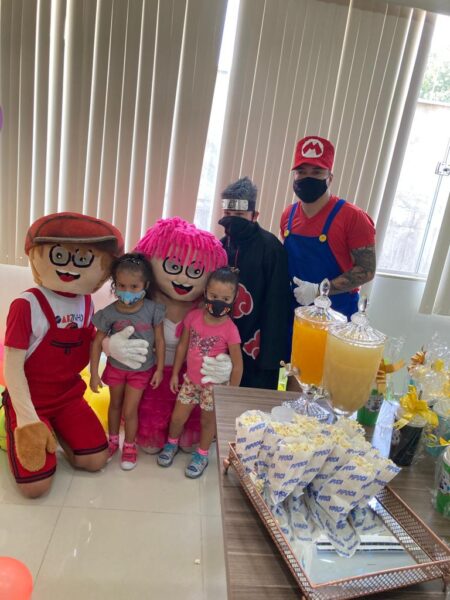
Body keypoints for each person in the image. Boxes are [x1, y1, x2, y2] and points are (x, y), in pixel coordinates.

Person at [2, 212, 123, 498]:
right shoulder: (26, 304)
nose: (70, 267)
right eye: (59, 255)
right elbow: (12, 365)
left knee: (95, 461)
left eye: (82, 259)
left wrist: (111, 346)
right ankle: (31, 426)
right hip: (30, 400)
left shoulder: (86, 302)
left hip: (68, 397)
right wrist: (27, 418)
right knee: (35, 487)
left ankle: (58, 431)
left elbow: (91, 338)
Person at [129, 217, 232, 454]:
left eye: (195, 271)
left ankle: (182, 437)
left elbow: (221, 338)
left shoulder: (205, 311)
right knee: (151, 439)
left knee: (188, 428)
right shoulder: (144, 301)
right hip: (153, 374)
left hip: (190, 377)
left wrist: (223, 364)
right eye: (174, 267)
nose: (184, 278)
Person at [157, 267, 243, 478]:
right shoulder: (193, 317)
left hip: (214, 388)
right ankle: (171, 444)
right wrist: (175, 373)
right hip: (190, 381)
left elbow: (238, 364)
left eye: (225, 298)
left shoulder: (230, 329)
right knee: (177, 417)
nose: (218, 302)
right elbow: (182, 346)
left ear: (233, 299)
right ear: (205, 292)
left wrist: (231, 392)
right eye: (214, 296)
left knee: (207, 422)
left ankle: (202, 454)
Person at [280, 135, 376, 321]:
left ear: (329, 178)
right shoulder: (287, 215)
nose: (308, 178)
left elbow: (367, 270)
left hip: (337, 313)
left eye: (316, 172)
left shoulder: (353, 217)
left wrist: (319, 290)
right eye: (301, 172)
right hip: (295, 311)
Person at [90, 253, 165, 471]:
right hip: (115, 369)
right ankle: (113, 441)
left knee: (130, 410)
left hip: (141, 371)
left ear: (145, 285)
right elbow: (96, 343)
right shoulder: (109, 313)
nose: (128, 291)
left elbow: (159, 340)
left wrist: (160, 369)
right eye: (122, 285)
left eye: (134, 286)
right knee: (114, 405)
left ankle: (129, 446)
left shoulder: (153, 309)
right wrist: (94, 373)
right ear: (115, 285)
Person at [218, 177, 290, 390]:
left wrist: (270, 359)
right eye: (228, 214)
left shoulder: (271, 249)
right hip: (223, 342)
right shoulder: (219, 247)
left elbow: (277, 306)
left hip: (257, 343)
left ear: (254, 215)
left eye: (239, 215)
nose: (232, 220)